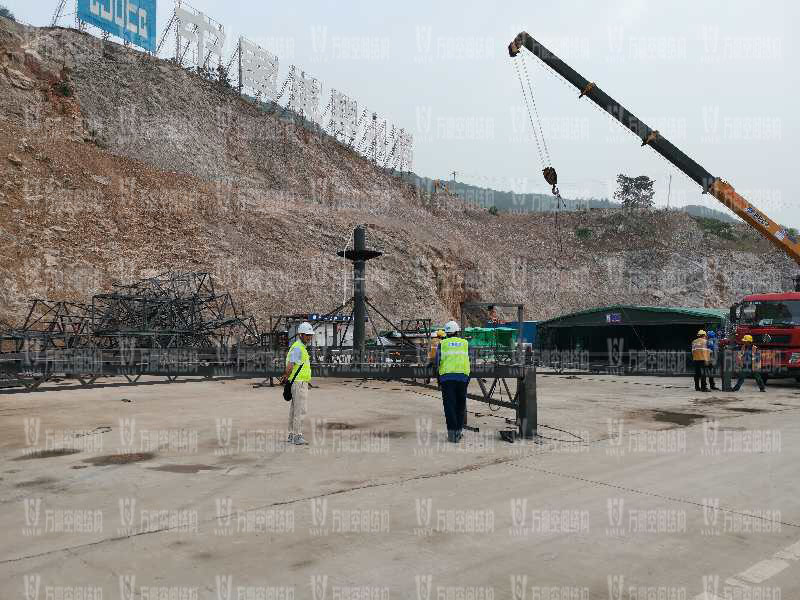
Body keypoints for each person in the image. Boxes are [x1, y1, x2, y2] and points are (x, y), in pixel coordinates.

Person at [436, 320, 470, 443]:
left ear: (446, 332)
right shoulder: (465, 343)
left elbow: (437, 362)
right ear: (457, 331)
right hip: (462, 378)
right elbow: (470, 359)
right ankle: (458, 432)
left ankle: (452, 435)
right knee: (461, 406)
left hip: (447, 378)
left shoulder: (442, 344)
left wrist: (438, 379)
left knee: (449, 406)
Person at [281, 322, 314, 445]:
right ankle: (297, 436)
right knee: (300, 410)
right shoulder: (298, 348)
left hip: (298, 382)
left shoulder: (300, 347)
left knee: (294, 410)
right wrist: (287, 377)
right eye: (307, 335)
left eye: (310, 335)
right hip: (299, 383)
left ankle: (291, 434)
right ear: (300, 335)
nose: (309, 337)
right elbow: (290, 366)